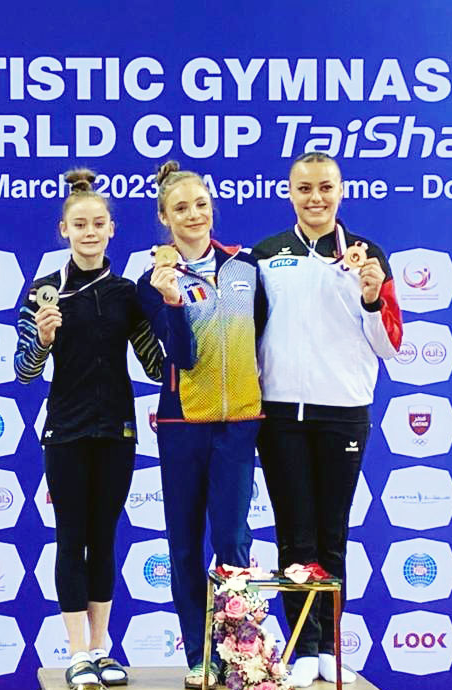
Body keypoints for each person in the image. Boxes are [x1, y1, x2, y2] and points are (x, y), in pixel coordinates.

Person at [252, 152, 403, 687]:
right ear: (290, 193)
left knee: (332, 534)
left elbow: (389, 345)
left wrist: (371, 296)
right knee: (295, 537)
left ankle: (331, 650)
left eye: (325, 187)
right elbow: (248, 333)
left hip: (343, 413)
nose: (315, 198)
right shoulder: (266, 255)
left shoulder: (367, 255)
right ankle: (302, 647)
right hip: (280, 416)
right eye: (305, 188)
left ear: (340, 191)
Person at [16, 168, 163, 689]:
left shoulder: (127, 292)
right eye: (80, 224)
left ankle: (102, 647)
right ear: (64, 230)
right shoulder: (44, 293)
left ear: (111, 230)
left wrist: (170, 309)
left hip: (118, 431)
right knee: (70, 538)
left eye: (99, 223)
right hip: (65, 432)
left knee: (103, 540)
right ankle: (76, 652)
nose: (90, 232)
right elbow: (24, 371)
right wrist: (41, 341)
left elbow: (154, 365)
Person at [137, 160, 266, 689]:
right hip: (183, 423)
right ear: (164, 218)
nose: (194, 214)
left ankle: (240, 655)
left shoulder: (246, 268)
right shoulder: (152, 282)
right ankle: (200, 656)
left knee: (233, 541)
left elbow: (262, 337)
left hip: (239, 424)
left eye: (201, 204)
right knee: (186, 545)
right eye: (181, 208)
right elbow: (183, 357)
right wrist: (171, 301)